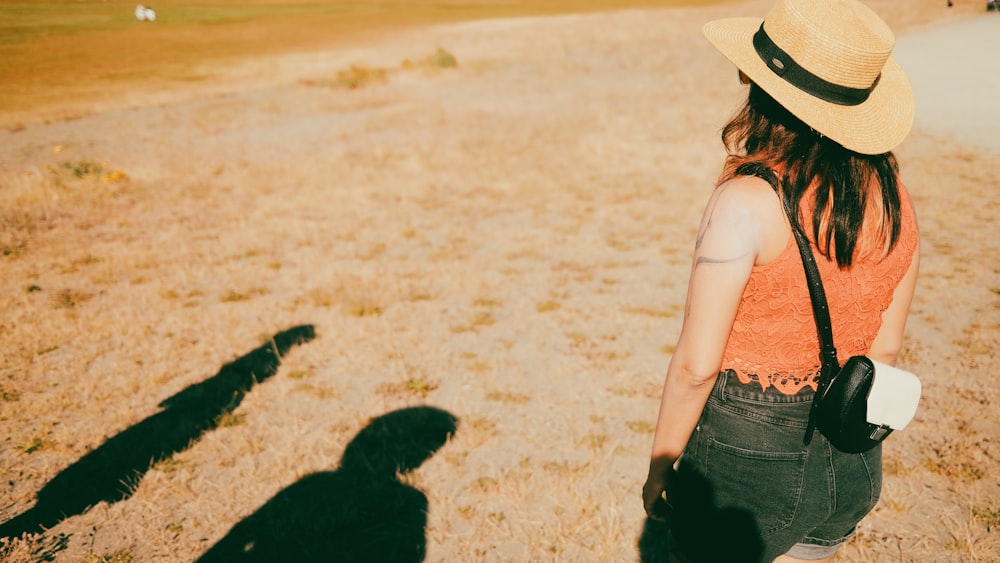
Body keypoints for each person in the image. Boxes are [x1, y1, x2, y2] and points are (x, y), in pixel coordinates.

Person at [641, 0, 920, 562]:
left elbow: (697, 367)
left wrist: (659, 465)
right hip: (852, 449)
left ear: (757, 82)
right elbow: (885, 347)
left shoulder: (745, 201)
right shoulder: (892, 194)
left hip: (745, 458)